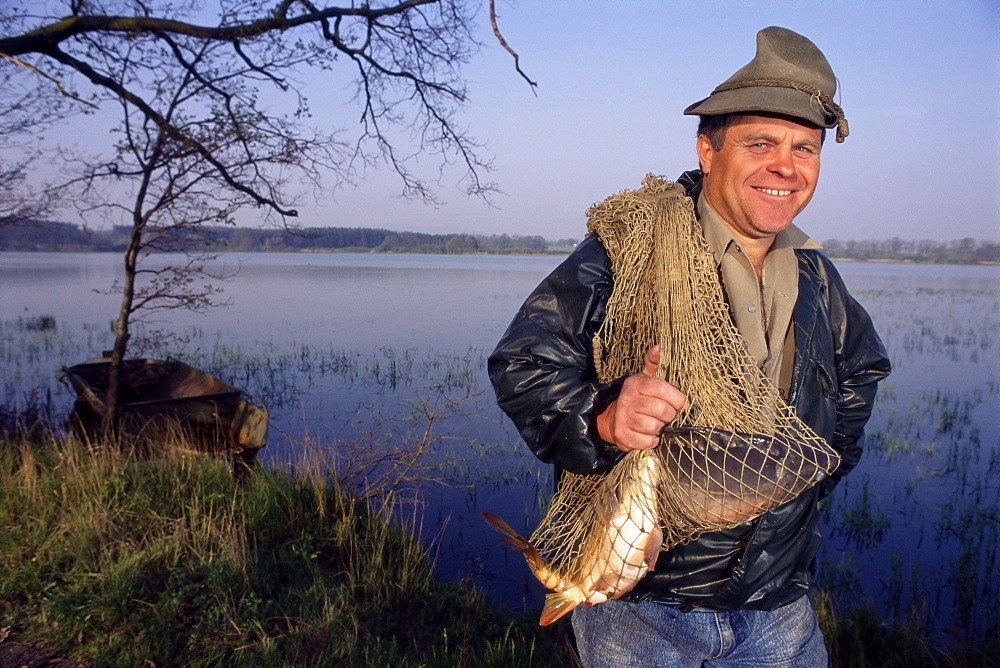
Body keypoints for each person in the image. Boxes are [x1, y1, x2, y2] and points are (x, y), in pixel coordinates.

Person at [488, 26, 891, 667]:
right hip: (643, 607)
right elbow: (524, 362)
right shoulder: (630, 249)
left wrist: (815, 476)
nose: (786, 166)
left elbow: (862, 371)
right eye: (761, 143)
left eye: (805, 149)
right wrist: (601, 418)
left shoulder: (818, 277)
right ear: (707, 151)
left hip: (777, 610)